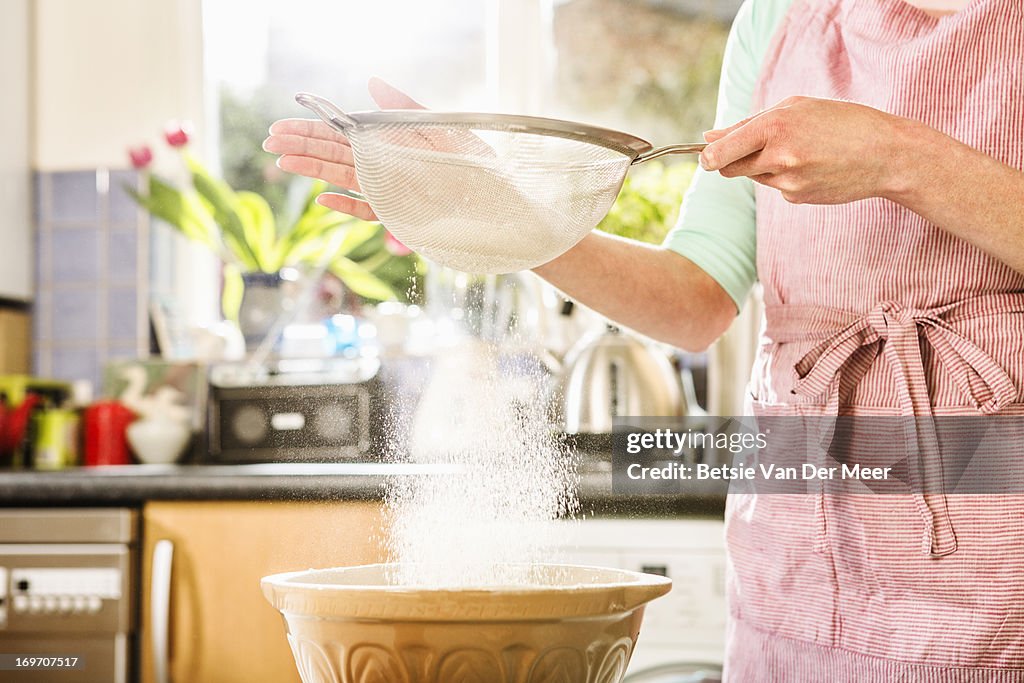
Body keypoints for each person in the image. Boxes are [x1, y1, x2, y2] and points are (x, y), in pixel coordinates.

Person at [264, 0, 1024, 678]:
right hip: (799, 550)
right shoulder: (776, 21)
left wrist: (902, 157)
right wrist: (503, 214)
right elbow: (694, 299)